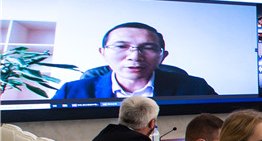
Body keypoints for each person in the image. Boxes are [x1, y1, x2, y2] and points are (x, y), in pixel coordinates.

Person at [51, 22, 216, 99]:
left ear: (163, 56)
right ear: (103, 53)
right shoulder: (71, 92)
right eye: (121, 46)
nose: (135, 56)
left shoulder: (196, 88)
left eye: (148, 48)